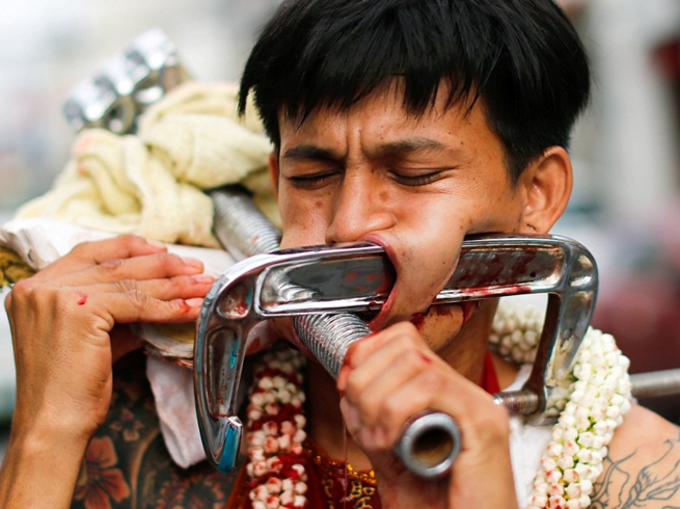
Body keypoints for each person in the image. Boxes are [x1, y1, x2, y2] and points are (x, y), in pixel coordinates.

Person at [1, 0, 679, 508]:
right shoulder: (172, 423)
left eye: (414, 174)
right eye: (313, 176)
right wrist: (44, 429)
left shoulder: (636, 470)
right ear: (274, 183)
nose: (350, 223)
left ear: (538, 193)